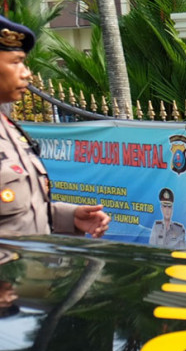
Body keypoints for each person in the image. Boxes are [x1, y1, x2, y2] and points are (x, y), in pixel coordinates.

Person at [0, 15, 110, 239]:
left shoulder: (9, 128)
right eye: (15, 61)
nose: (26, 73)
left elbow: (14, 215)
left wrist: (68, 217)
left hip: (26, 271)